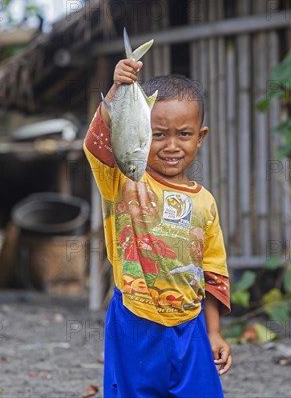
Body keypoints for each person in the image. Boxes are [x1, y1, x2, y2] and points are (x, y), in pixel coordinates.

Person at [84, 57, 232, 397]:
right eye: (157, 134)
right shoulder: (124, 180)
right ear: (139, 132)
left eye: (184, 134)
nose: (171, 145)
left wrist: (214, 332)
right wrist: (119, 89)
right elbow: (96, 144)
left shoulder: (205, 203)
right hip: (134, 322)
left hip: (191, 326)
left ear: (201, 137)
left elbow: (212, 272)